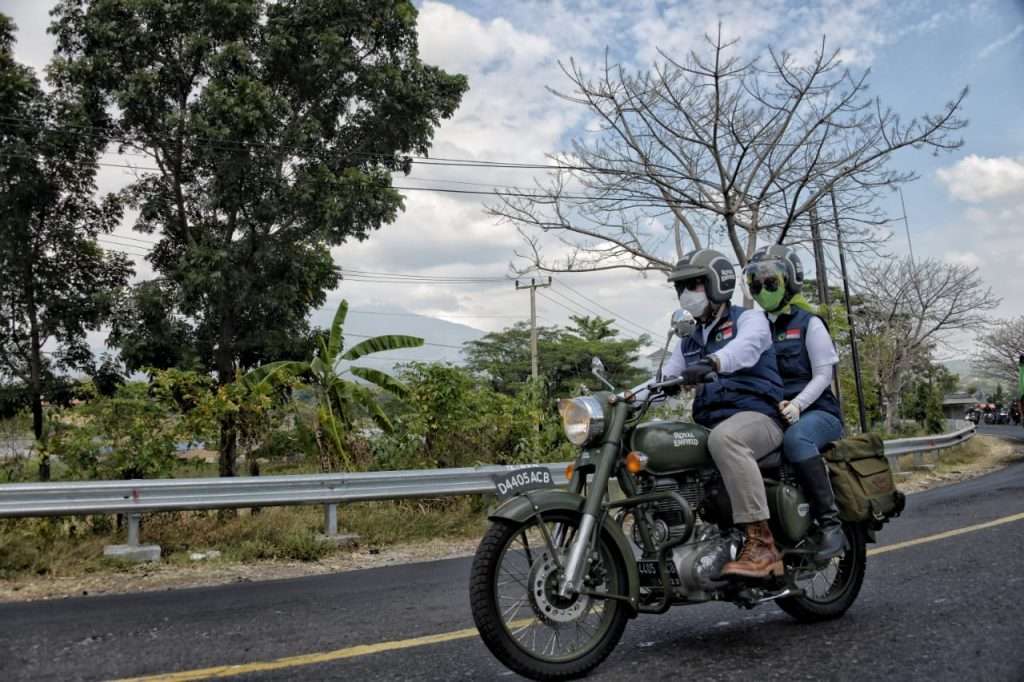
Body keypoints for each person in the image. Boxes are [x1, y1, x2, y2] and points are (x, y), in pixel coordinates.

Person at [636, 248, 786, 579]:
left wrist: (713, 362)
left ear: (719, 283)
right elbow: (664, 377)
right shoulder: (689, 339)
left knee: (725, 438)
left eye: (695, 284)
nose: (686, 293)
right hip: (711, 422)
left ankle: (762, 544)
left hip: (760, 418)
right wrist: (623, 399)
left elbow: (744, 349)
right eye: (682, 287)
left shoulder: (749, 320)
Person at [744, 245, 845, 562]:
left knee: (797, 439)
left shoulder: (808, 322)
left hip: (818, 413)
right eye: (756, 282)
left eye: (770, 281)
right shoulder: (755, 327)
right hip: (775, 413)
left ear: (789, 280)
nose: (763, 289)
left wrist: (799, 404)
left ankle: (830, 524)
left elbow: (824, 375)